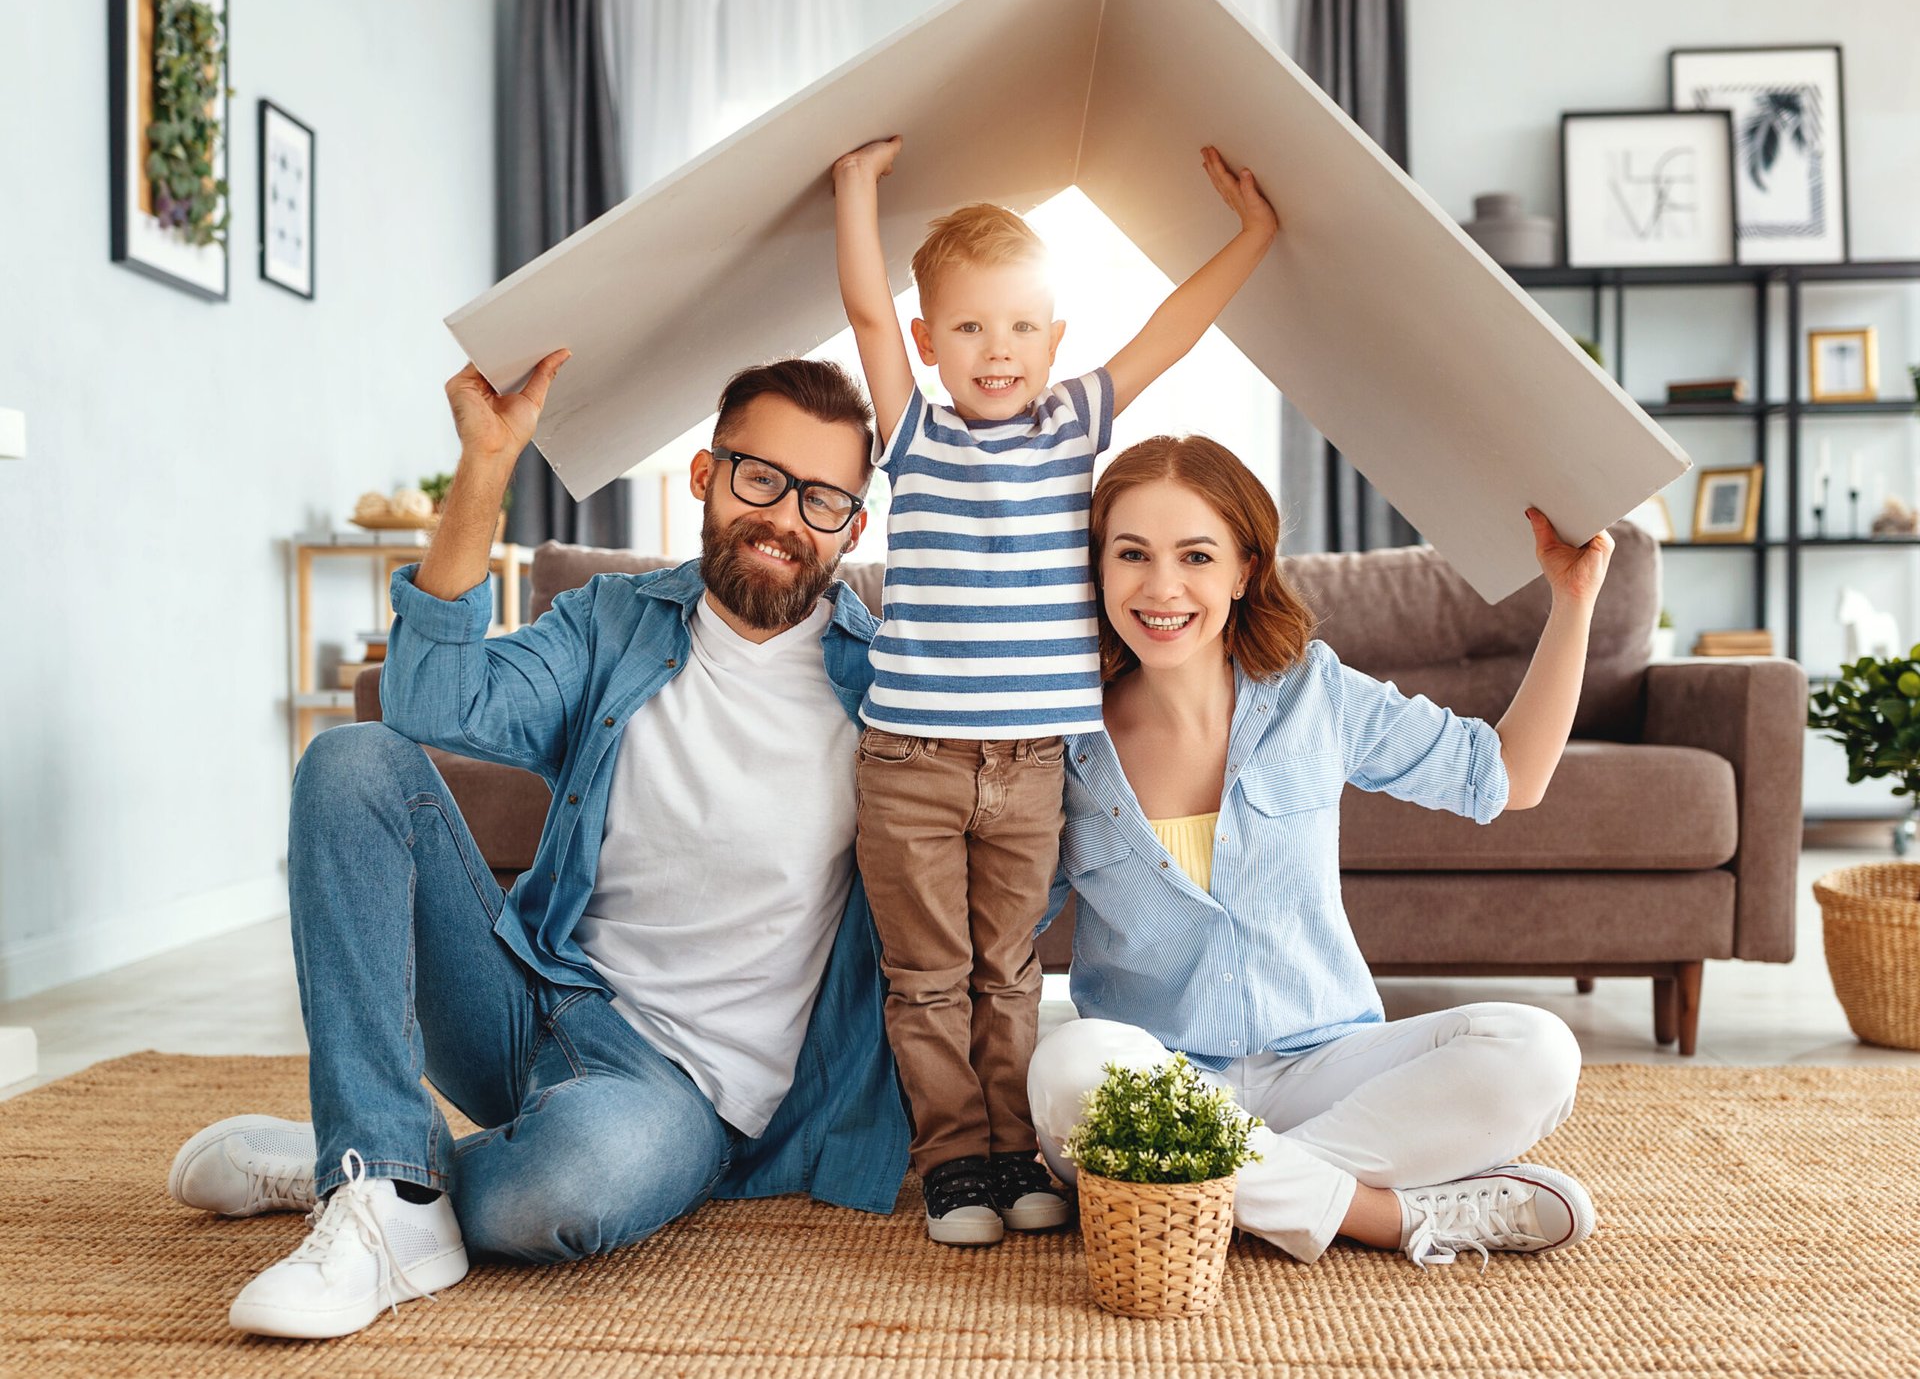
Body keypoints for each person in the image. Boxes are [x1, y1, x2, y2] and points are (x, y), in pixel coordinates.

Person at [166, 353, 910, 1338]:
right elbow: (432, 700)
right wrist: (487, 462)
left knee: (558, 1196)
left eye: (822, 500)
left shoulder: (887, 683)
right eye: (760, 477)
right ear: (706, 476)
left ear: (854, 526)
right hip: (528, 1005)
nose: (785, 518)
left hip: (678, 1091)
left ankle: (365, 1161)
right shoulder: (617, 623)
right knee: (350, 764)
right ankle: (383, 1183)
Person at [830, 135, 1278, 1245]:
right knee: (927, 979)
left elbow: (1170, 333)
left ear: (1056, 339)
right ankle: (951, 1167)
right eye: (971, 327)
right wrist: (854, 192)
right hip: (911, 767)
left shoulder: (1075, 423)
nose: (998, 350)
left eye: (1023, 325)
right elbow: (868, 316)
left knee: (1011, 977)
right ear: (933, 341)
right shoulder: (913, 430)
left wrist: (1252, 235)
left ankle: (1016, 1153)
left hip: (1033, 767)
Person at [1029, 434, 1613, 1270]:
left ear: (1243, 570)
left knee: (1537, 1048)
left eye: (1196, 555)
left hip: (1327, 1068)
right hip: (1161, 1082)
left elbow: (1508, 776)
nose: (1161, 587)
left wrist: (1573, 598)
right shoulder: (1062, 743)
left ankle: (1213, 1194)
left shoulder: (1314, 692)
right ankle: (1389, 1217)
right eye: (1132, 554)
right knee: (1070, 1063)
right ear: (1098, 568)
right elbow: (999, 938)